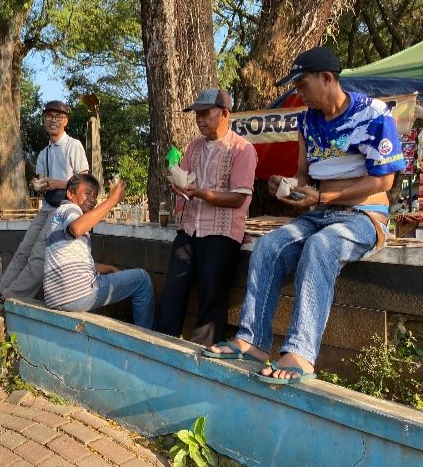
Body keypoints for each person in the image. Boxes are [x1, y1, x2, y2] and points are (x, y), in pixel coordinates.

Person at [203, 47, 404, 384]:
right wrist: (287, 187)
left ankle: (301, 353)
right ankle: (252, 342)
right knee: (269, 246)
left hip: (364, 216)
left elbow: (383, 180)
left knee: (320, 246)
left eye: (302, 84)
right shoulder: (307, 120)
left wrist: (324, 196)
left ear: (326, 78)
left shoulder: (374, 114)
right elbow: (303, 175)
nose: (298, 93)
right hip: (320, 213)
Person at [155, 89, 257, 347]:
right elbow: (185, 181)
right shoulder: (194, 146)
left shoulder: (243, 149)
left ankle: (201, 352)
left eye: (204, 113)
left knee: (212, 295)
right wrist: (178, 186)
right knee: (173, 289)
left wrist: (200, 193)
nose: (199, 119)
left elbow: (239, 198)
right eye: (196, 114)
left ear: (224, 114)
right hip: (190, 228)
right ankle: (161, 345)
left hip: (221, 233)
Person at [0, 100, 89, 304]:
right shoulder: (44, 153)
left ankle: (8, 297)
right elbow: (42, 182)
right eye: (49, 116)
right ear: (44, 120)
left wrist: (59, 183)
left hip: (65, 209)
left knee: (38, 255)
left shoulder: (73, 145)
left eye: (58, 117)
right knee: (22, 251)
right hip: (47, 206)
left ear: (65, 121)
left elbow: (84, 180)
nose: (53, 120)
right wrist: (39, 184)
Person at [43, 174, 155, 329]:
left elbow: (77, 265)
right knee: (142, 279)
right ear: (70, 194)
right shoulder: (70, 209)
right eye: (87, 193)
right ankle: (144, 336)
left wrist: (109, 268)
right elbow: (76, 228)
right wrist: (112, 200)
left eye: (95, 195)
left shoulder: (58, 217)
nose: (92, 199)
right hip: (77, 295)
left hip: (55, 298)